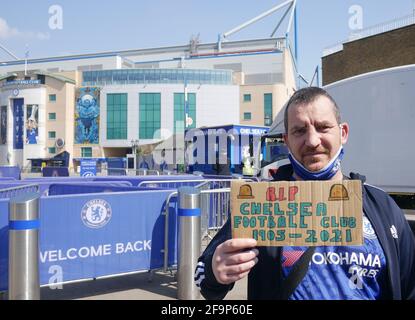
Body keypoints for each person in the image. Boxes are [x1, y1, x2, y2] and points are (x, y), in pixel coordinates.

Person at [194, 87, 415, 300]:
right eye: (300, 131)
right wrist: (215, 269)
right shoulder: (261, 204)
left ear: (343, 132)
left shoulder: (381, 207)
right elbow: (203, 276)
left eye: (323, 127)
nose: (312, 141)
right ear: (286, 141)